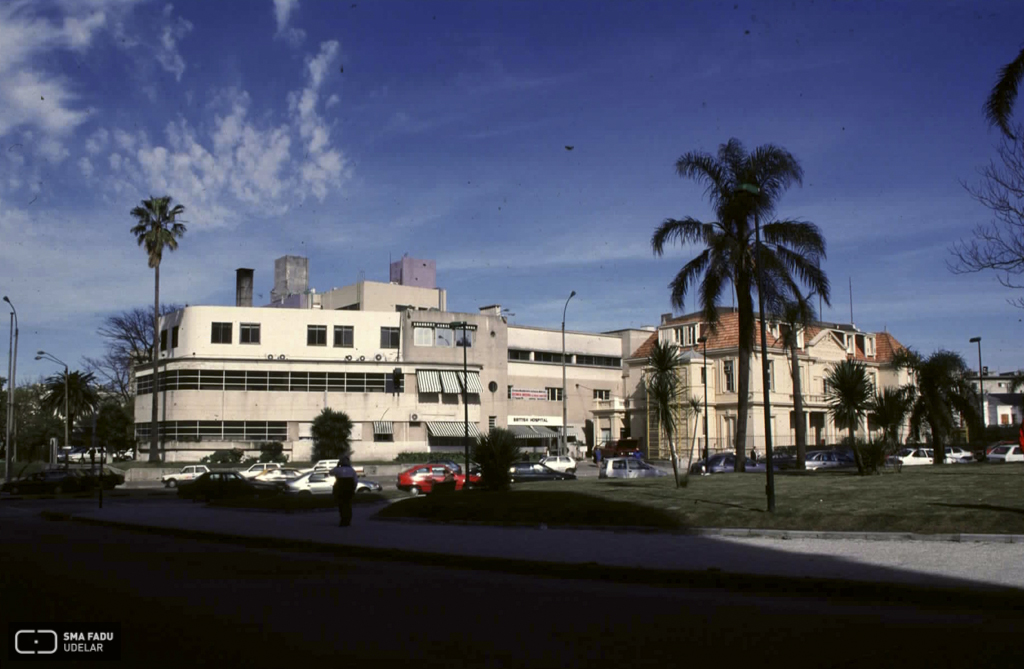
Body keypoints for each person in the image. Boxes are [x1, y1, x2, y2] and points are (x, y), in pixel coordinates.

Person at [330, 457, 358, 527]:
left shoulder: (337, 470)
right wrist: (353, 488)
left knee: (341, 505)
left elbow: (330, 472)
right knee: (348, 505)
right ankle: (348, 520)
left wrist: (337, 465)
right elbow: (355, 481)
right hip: (349, 489)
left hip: (339, 489)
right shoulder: (352, 470)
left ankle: (343, 519)